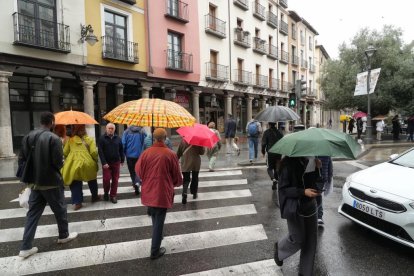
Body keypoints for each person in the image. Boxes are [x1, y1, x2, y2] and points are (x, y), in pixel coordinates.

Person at [18, 112, 78, 259]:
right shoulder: (54, 138)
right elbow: (58, 163)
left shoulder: (28, 137)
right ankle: (63, 235)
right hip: (51, 183)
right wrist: (62, 161)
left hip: (35, 184)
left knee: (32, 214)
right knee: (60, 210)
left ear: (41, 122)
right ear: (52, 122)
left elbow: (22, 159)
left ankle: (25, 247)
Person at [135, 128, 182, 260]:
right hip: (162, 191)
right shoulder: (170, 154)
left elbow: (138, 171)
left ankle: (158, 235)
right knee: (159, 219)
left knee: (155, 215)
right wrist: (174, 183)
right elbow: (177, 177)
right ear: (165, 138)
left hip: (149, 190)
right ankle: (155, 251)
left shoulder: (145, 153)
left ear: (153, 138)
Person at [274, 156, 321, 276]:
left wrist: (317, 169)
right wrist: (303, 192)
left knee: (311, 241)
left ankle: (305, 273)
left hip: (310, 205)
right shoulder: (287, 165)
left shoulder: (310, 161)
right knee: (298, 239)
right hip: (295, 207)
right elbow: (284, 190)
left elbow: (314, 182)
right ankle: (279, 249)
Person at [62, 124, 100, 210]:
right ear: (84, 130)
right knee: (92, 179)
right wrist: (95, 161)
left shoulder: (70, 140)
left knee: (75, 182)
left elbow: (65, 152)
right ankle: (94, 196)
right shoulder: (90, 140)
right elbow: (94, 152)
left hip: (74, 164)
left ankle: (77, 202)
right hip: (88, 163)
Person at [98, 123, 125, 204]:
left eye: (112, 128)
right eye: (109, 128)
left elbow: (121, 149)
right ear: (106, 129)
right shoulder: (102, 138)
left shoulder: (118, 138)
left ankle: (113, 195)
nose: (110, 130)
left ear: (114, 129)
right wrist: (103, 162)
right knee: (106, 179)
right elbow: (100, 151)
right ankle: (106, 193)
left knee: (115, 179)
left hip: (116, 162)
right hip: (106, 163)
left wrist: (122, 159)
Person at [177, 138, 205, 204]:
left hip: (185, 162)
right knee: (195, 178)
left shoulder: (183, 141)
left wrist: (176, 159)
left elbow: (179, 152)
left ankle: (184, 192)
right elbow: (202, 152)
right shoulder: (198, 141)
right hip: (195, 162)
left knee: (186, 179)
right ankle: (194, 193)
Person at [122, 125, 146, 195]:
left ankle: (135, 183)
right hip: (139, 154)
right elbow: (145, 142)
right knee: (138, 170)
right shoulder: (142, 131)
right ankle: (137, 182)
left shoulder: (126, 132)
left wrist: (122, 155)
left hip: (129, 155)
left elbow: (123, 144)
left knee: (132, 171)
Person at [261, 122, 284, 190]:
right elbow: (283, 141)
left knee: (270, 167)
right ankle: (275, 182)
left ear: (269, 124)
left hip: (271, 152)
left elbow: (264, 143)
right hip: (278, 152)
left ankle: (273, 178)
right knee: (277, 167)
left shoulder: (267, 132)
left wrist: (263, 151)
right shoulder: (280, 132)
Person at [315, 156, 333, 226]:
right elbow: (330, 167)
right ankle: (319, 216)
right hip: (322, 178)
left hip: (316, 177)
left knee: (316, 196)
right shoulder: (327, 153)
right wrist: (329, 177)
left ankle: (318, 216)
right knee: (318, 196)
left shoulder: (313, 152)